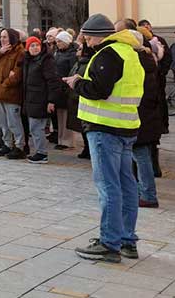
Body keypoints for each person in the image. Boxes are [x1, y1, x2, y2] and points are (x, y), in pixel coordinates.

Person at [65, 15, 145, 263]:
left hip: (105, 128)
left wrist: (77, 82)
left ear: (98, 35)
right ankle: (126, 240)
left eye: (87, 37)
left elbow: (99, 90)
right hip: (126, 126)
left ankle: (110, 243)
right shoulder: (130, 53)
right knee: (126, 184)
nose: (86, 42)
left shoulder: (107, 54)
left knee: (109, 186)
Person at [131, 30, 164, 209]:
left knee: (141, 156)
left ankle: (148, 194)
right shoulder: (147, 59)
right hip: (145, 115)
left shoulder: (139, 61)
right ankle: (143, 192)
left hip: (141, 116)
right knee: (140, 156)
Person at [21, 36, 62, 164]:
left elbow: (53, 81)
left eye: (37, 45)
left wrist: (51, 100)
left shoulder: (46, 60)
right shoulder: (29, 60)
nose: (35, 48)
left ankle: (42, 153)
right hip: (32, 99)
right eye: (32, 46)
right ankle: (40, 152)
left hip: (41, 99)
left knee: (37, 127)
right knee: (35, 127)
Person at [0, 29, 25, 159]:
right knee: (2, 122)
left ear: (12, 38)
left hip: (11, 94)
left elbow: (16, 75)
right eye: (1, 37)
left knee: (13, 122)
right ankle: (7, 144)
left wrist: (3, 84)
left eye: (5, 37)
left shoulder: (20, 52)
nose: (2, 39)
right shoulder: (1, 50)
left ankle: (20, 146)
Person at [52, 31, 78, 150]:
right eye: (56, 41)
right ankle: (61, 138)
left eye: (59, 41)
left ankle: (67, 141)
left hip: (66, 87)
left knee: (67, 115)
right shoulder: (57, 53)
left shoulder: (72, 54)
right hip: (58, 87)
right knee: (60, 114)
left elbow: (73, 70)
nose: (57, 44)